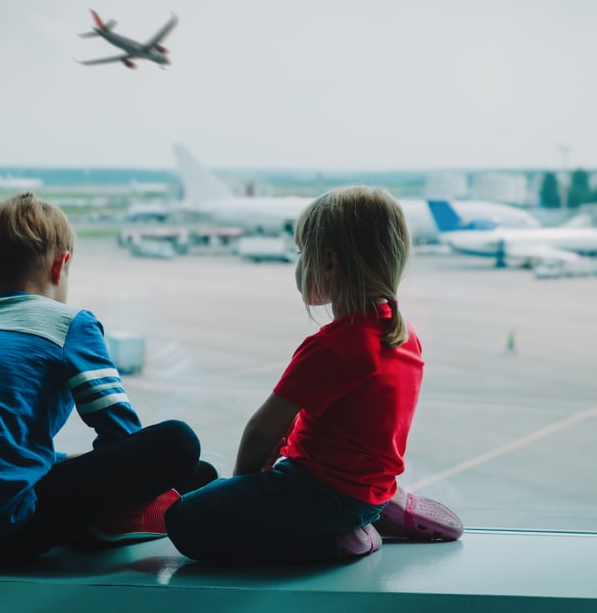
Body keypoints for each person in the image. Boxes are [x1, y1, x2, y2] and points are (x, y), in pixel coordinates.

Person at [0, 193, 215, 566]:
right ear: (61, 266)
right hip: (0, 532)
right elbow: (120, 432)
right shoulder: (69, 324)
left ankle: (101, 519)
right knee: (179, 445)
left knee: (191, 476)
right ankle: (106, 522)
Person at [165, 185, 462, 565]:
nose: (299, 262)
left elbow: (261, 429)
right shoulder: (402, 335)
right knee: (213, 490)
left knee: (184, 521)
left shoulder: (334, 345)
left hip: (320, 493)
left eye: (303, 252)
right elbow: (358, 422)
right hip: (367, 488)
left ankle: (340, 540)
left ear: (329, 263)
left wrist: (243, 486)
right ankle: (379, 509)